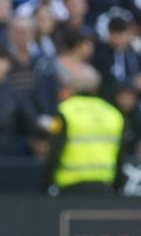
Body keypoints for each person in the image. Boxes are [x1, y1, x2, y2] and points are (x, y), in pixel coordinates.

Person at [42, 67, 125, 196]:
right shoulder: (113, 114)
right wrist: (119, 185)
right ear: (96, 88)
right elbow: (120, 154)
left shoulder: (64, 111)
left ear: (72, 88)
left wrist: (45, 183)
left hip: (71, 185)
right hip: (104, 186)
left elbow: (55, 150)